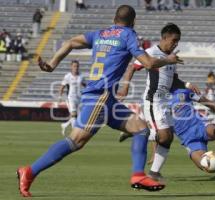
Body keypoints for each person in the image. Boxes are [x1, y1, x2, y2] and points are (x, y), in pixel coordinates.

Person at [17, 5, 183, 197]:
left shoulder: (100, 34)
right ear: (133, 21)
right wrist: (169, 60)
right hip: (100, 96)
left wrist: (52, 64)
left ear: (114, 19)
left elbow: (71, 42)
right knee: (76, 141)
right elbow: (149, 63)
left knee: (141, 128)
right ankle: (29, 172)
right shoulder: (128, 34)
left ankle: (138, 175)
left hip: (107, 98)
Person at [117, 23, 200, 181]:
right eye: (174, 40)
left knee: (168, 137)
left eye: (178, 41)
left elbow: (173, 81)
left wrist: (188, 85)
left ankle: (154, 172)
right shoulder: (150, 52)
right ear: (165, 37)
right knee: (163, 135)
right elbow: (132, 68)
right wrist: (125, 88)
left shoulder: (171, 57)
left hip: (164, 102)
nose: (175, 44)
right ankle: (135, 131)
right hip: (152, 101)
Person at [120, 88, 215, 178]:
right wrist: (153, 154)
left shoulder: (184, 92)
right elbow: (157, 132)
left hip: (200, 126)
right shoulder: (156, 104)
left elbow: (206, 102)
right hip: (189, 141)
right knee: (206, 167)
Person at [59, 60, 85, 136]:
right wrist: (60, 97)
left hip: (79, 98)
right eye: (74, 66)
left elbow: (85, 85)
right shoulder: (68, 76)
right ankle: (74, 133)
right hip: (70, 98)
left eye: (77, 66)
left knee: (77, 116)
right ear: (71, 67)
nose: (76, 68)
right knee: (73, 114)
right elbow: (62, 87)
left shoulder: (81, 76)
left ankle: (65, 125)